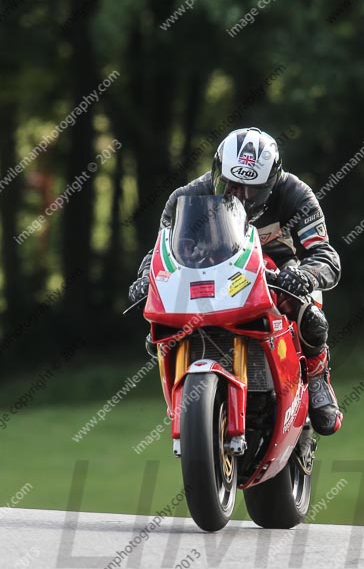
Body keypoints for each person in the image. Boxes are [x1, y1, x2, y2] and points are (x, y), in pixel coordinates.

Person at [129, 127, 343, 436]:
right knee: (159, 332)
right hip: (209, 271)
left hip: (278, 270)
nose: (239, 195)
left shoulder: (296, 194)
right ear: (217, 172)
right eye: (231, 185)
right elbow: (160, 251)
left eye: (252, 189)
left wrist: (305, 275)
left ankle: (318, 376)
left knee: (311, 317)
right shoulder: (186, 197)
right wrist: (145, 279)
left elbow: (325, 254)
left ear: (272, 182)